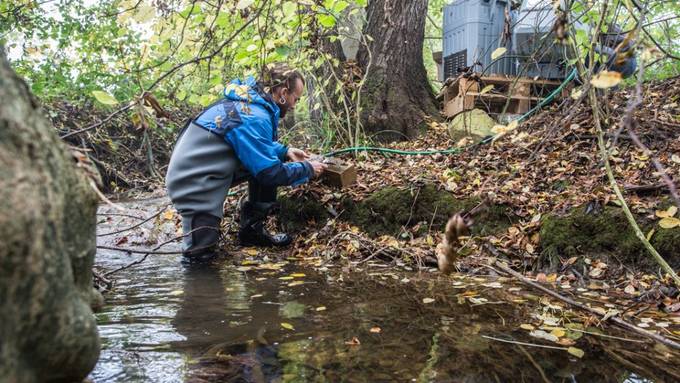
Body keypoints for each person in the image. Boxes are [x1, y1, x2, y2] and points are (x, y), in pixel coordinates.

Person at [166, 64, 327, 263]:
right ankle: (201, 289)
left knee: (267, 162)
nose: (294, 105)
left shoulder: (248, 105)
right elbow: (270, 173)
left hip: (204, 171)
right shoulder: (253, 115)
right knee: (199, 259)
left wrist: (285, 152)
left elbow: (249, 144)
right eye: (296, 98)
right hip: (193, 182)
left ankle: (252, 232)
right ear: (284, 93)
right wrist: (308, 169)